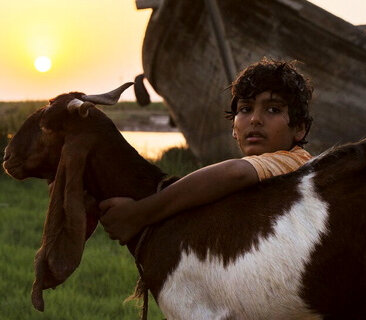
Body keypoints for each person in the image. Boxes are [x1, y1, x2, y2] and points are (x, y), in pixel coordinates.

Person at [99, 58, 314, 244]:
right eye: (245, 109)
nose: (255, 119)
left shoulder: (294, 163)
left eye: (273, 110)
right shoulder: (267, 176)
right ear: (234, 129)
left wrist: (139, 214)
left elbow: (235, 173)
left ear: (299, 129)